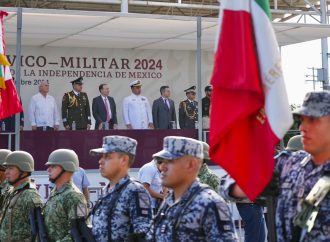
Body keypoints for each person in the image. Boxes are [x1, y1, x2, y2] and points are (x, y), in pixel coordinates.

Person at [223, 91, 330, 242]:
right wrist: (250, 186)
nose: (302, 128)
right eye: (301, 120)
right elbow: (227, 183)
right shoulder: (288, 163)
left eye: (312, 120)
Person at [151, 136, 238, 241]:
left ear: (191, 164)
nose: (162, 167)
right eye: (161, 162)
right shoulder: (169, 202)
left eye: (170, 161)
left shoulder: (211, 204)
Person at [90, 135, 152, 242]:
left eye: (107, 157)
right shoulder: (107, 190)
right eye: (101, 156)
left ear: (124, 160)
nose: (100, 161)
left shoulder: (135, 191)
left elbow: (144, 235)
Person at [44, 149, 88, 241]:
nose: (48, 169)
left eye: (53, 166)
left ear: (67, 167)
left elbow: (81, 231)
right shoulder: (54, 193)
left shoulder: (76, 197)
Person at [0, 151, 43, 241]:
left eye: (11, 168)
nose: (6, 172)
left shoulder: (30, 196)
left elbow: (38, 234)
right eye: (6, 168)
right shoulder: (12, 192)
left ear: (24, 171)